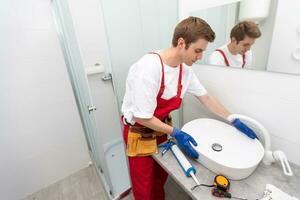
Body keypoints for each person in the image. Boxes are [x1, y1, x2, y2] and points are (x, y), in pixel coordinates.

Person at [121, 16, 258, 200]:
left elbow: (206, 98)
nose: (200, 57)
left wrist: (233, 119)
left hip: (161, 130)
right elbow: (142, 117)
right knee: (144, 188)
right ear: (181, 43)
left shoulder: (185, 70)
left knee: (160, 178)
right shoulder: (148, 68)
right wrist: (176, 132)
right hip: (139, 131)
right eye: (198, 50)